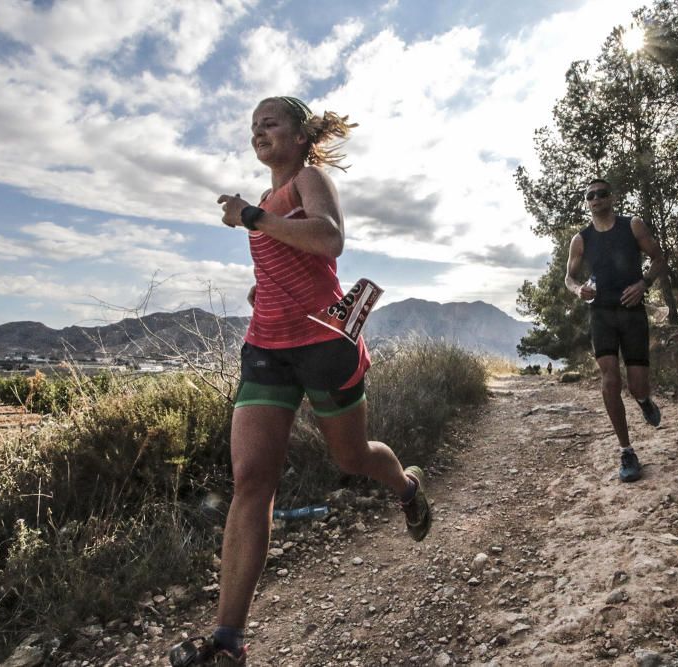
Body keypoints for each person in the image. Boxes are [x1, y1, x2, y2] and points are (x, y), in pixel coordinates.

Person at [172, 96, 432, 666]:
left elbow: (329, 238)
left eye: (270, 123)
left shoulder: (306, 180)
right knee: (251, 481)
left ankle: (407, 489)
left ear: (299, 134)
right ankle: (227, 641)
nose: (257, 132)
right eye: (252, 126)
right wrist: (262, 289)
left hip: (323, 345)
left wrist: (253, 218)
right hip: (267, 346)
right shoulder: (265, 201)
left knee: (351, 457)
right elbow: (289, 258)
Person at [564, 178, 666, 483]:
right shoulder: (580, 240)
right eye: (590, 196)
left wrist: (644, 284)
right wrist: (578, 289)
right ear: (587, 202)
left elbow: (660, 259)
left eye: (602, 193)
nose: (596, 199)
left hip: (632, 314)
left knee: (637, 386)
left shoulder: (632, 225)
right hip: (602, 315)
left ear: (612, 196)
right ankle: (626, 451)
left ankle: (645, 401)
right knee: (610, 381)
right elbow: (568, 278)